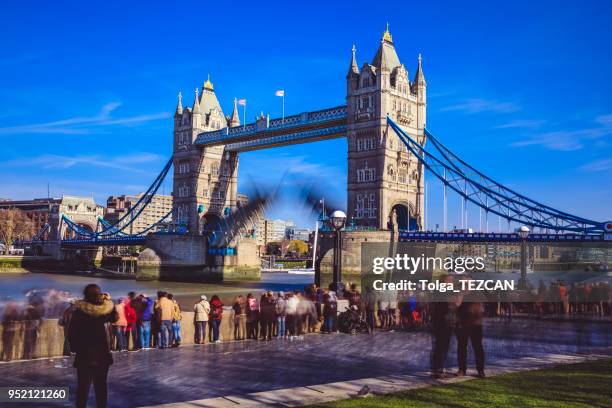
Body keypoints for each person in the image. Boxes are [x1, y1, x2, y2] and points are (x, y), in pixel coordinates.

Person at [68, 284, 118, 408]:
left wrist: (76, 349)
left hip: (84, 357)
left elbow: (71, 333)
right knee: (101, 387)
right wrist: (108, 302)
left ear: (85, 296)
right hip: (102, 357)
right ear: (98, 295)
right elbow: (114, 317)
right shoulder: (104, 312)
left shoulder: (79, 312)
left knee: (83, 388)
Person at [455, 279, 485, 378]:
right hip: (463, 324)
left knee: (478, 348)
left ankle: (480, 370)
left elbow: (480, 308)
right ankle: (462, 369)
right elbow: (456, 306)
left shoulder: (477, 293)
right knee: (462, 348)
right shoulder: (459, 293)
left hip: (475, 325)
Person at [430, 275, 455, 379]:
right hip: (441, 323)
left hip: (444, 322)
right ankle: (438, 370)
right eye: (450, 280)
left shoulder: (442, 291)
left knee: (443, 346)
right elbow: (445, 306)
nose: (452, 282)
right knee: (440, 347)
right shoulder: (441, 291)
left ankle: (439, 369)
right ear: (444, 281)